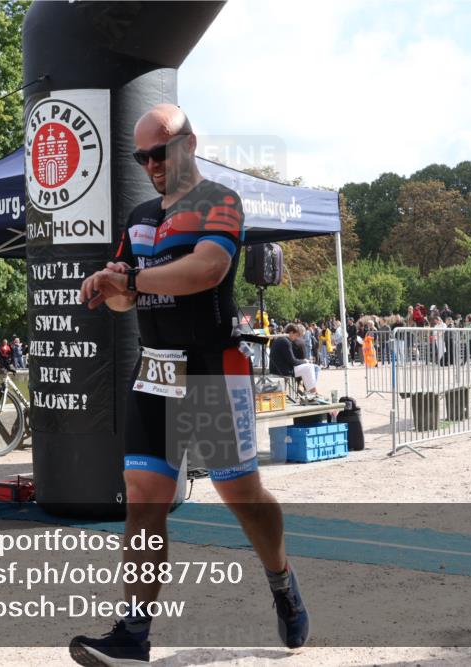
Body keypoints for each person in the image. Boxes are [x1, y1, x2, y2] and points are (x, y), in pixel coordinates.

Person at [73, 104, 308, 665]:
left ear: (190, 143)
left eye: (160, 151)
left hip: (208, 367)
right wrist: (108, 286)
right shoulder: (138, 215)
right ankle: (133, 635)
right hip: (156, 365)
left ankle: (281, 578)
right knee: (143, 497)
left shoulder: (218, 202)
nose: (152, 163)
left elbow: (206, 271)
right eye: (142, 155)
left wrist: (128, 276)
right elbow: (129, 294)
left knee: (241, 496)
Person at [269, 324, 320, 400]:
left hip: (277, 368)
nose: (296, 338)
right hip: (282, 370)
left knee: (308, 367)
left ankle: (311, 392)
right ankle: (313, 393)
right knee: (309, 367)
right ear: (291, 333)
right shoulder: (286, 342)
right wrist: (304, 361)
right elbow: (293, 361)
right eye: (296, 335)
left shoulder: (280, 339)